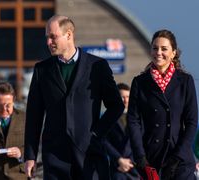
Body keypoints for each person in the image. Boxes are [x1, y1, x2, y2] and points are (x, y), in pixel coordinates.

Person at [24, 15, 124, 180]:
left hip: (89, 153)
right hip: (55, 156)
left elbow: (116, 106)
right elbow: (34, 116)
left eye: (53, 37)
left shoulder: (97, 67)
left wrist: (97, 134)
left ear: (68, 35)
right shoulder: (42, 70)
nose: (48, 42)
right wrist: (30, 155)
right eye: (47, 38)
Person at [127, 29, 198, 180]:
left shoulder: (185, 81)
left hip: (179, 159)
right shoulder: (140, 82)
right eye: (155, 48)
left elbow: (191, 122)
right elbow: (133, 121)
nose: (158, 52)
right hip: (151, 159)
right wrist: (140, 156)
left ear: (173, 53)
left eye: (164, 49)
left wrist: (178, 156)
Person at [105, 83, 139, 180]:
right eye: (122, 97)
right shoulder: (108, 117)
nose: (126, 100)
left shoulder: (138, 117)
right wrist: (119, 159)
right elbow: (104, 141)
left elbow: (142, 140)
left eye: (128, 96)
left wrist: (130, 161)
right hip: (117, 168)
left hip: (135, 167)